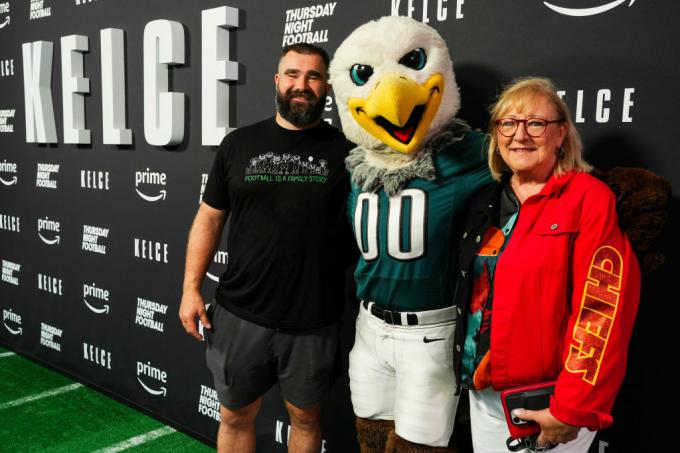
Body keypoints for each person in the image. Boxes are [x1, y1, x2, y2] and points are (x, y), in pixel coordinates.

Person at [179, 43, 355, 453]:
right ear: (277, 81)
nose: (302, 85)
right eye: (292, 74)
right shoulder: (238, 144)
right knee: (235, 415)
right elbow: (210, 217)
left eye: (313, 76)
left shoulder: (347, 153)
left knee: (307, 419)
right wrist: (190, 288)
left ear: (326, 86)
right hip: (240, 313)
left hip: (313, 318)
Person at [452, 77, 641, 452]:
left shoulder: (589, 199)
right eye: (508, 123)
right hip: (486, 393)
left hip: (550, 400)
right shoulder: (485, 200)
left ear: (561, 134)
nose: (520, 135)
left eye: (535, 123)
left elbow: (602, 311)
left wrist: (572, 406)